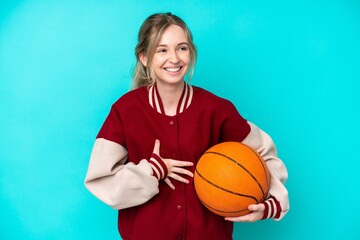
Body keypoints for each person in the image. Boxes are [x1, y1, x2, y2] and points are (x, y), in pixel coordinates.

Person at [84, 12, 289, 240]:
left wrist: (270, 204)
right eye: (162, 50)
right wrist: (151, 171)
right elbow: (101, 179)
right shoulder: (125, 110)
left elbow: (265, 154)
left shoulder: (216, 109)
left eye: (181, 48)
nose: (174, 58)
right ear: (144, 56)